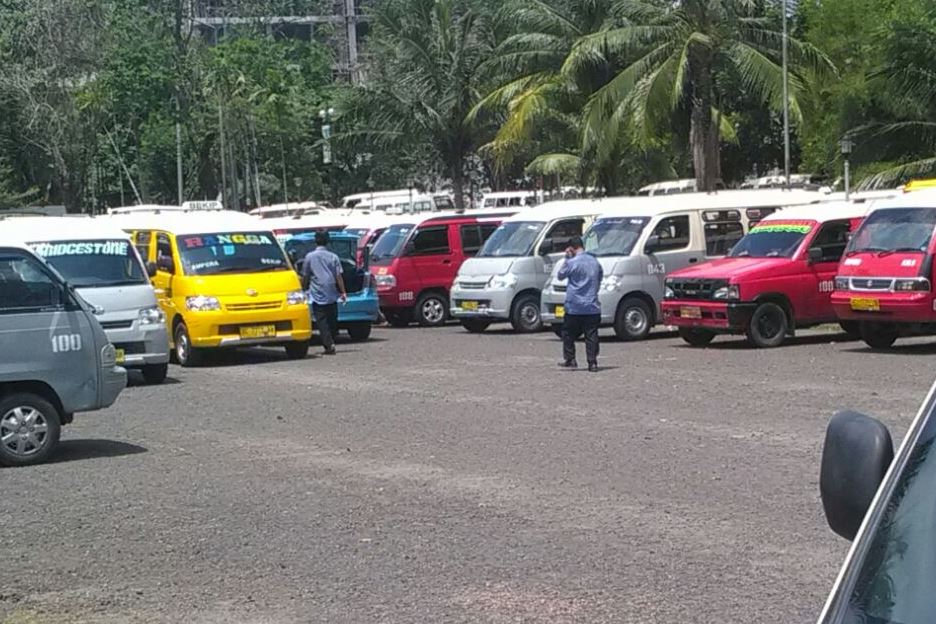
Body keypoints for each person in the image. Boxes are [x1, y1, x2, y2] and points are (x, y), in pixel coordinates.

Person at [557, 236, 603, 372]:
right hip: (591, 305)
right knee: (591, 335)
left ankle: (570, 359)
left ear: (571, 248)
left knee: (567, 332)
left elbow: (560, 275)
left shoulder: (572, 262)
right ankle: (592, 362)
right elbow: (600, 276)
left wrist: (567, 258)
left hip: (574, 306)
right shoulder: (594, 261)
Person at [301, 231, 347, 355]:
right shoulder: (333, 256)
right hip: (331, 292)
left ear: (315, 241)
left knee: (321, 320)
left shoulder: (309, 257)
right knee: (332, 319)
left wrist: (303, 288)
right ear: (328, 242)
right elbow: (338, 276)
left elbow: (305, 275)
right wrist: (343, 292)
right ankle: (330, 340)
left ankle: (329, 344)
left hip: (317, 293)